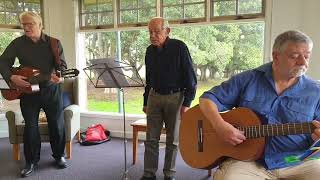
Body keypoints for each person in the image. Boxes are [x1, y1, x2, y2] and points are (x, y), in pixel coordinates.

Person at [199, 30, 320, 180]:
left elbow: (317, 141)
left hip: (295, 160)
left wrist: (317, 138)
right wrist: (219, 126)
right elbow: (207, 99)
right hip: (250, 160)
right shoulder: (248, 79)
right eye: (294, 56)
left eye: (307, 56)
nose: (303, 62)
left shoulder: (316, 91)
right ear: (276, 56)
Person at [0, 12, 68, 177]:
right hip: (29, 92)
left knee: (56, 124)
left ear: (40, 24)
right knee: (30, 127)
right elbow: (2, 61)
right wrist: (11, 76)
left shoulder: (54, 43)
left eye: (30, 24)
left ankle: (59, 155)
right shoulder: (18, 43)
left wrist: (60, 76)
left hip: (51, 89)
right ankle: (31, 161)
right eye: (24, 24)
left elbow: (63, 67)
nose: (26, 27)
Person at [141, 17, 197, 180]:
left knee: (173, 140)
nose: (152, 35)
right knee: (151, 138)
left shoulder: (179, 47)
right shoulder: (149, 51)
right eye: (150, 32)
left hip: (176, 97)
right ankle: (149, 174)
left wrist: (187, 103)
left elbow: (191, 79)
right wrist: (146, 101)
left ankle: (169, 174)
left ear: (167, 31)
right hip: (154, 96)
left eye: (157, 32)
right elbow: (148, 79)